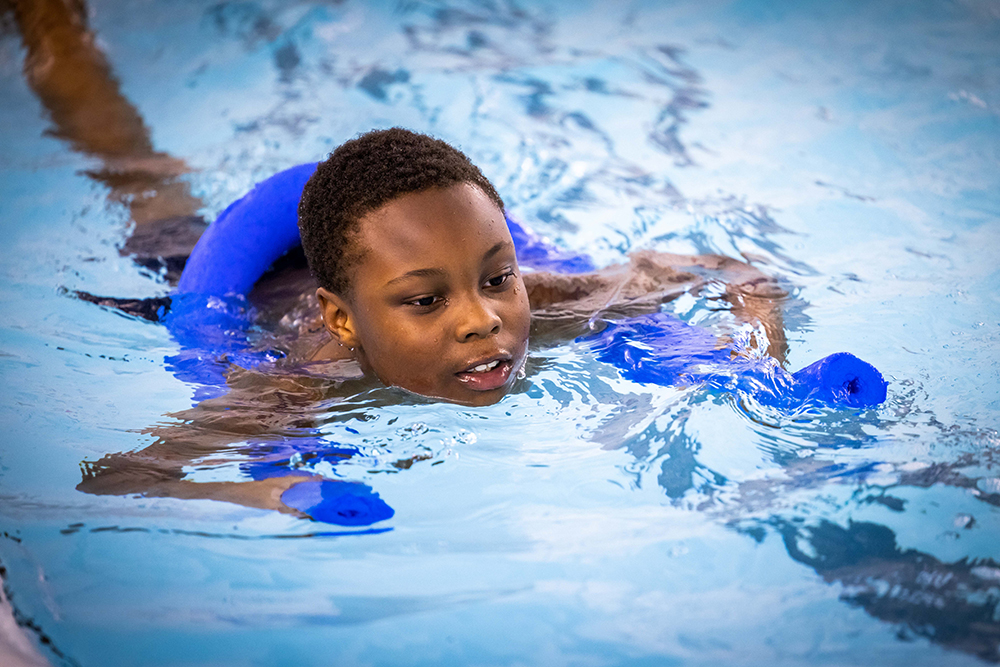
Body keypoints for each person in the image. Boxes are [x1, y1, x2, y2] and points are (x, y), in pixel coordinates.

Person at [295, 127, 786, 406]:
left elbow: (729, 271)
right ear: (342, 321)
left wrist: (762, 354)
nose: (482, 319)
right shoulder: (302, 384)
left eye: (497, 280)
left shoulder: (551, 304)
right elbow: (216, 468)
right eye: (426, 301)